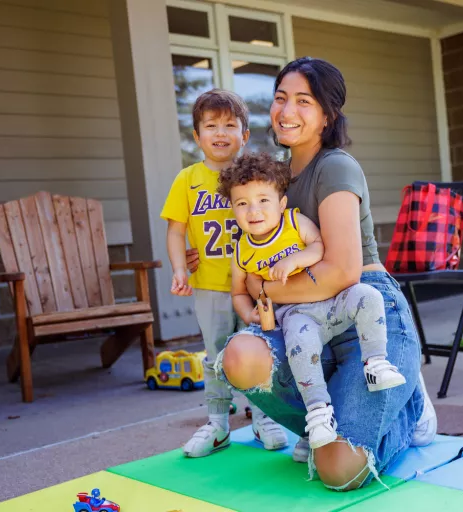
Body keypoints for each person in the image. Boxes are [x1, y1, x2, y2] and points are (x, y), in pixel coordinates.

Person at [207, 57, 437, 490]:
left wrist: (264, 286)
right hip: (303, 322)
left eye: (303, 101)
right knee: (239, 357)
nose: (286, 111)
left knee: (338, 472)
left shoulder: (335, 166)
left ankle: (409, 409)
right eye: (279, 98)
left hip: (362, 316)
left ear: (328, 115)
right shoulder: (273, 178)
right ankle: (321, 424)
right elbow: (245, 250)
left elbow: (342, 271)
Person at [216, 152, 406, 450]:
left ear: (281, 203)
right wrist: (248, 313)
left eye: (263, 200)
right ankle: (317, 413)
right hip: (296, 315)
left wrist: (296, 259)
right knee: (300, 349)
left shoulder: (294, 222)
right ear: (233, 209)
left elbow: (318, 246)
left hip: (331, 302)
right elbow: (239, 291)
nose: (253, 210)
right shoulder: (241, 251)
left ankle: (376, 361)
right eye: (243, 203)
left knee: (368, 296)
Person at [160, 89, 288, 458]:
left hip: (253, 285)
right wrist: (180, 268)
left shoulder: (252, 178)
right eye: (211, 125)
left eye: (230, 125)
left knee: (261, 350)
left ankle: (264, 417)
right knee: (216, 355)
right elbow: (175, 230)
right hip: (211, 286)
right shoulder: (188, 179)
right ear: (197, 136)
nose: (220, 133)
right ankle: (218, 423)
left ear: (244, 135)